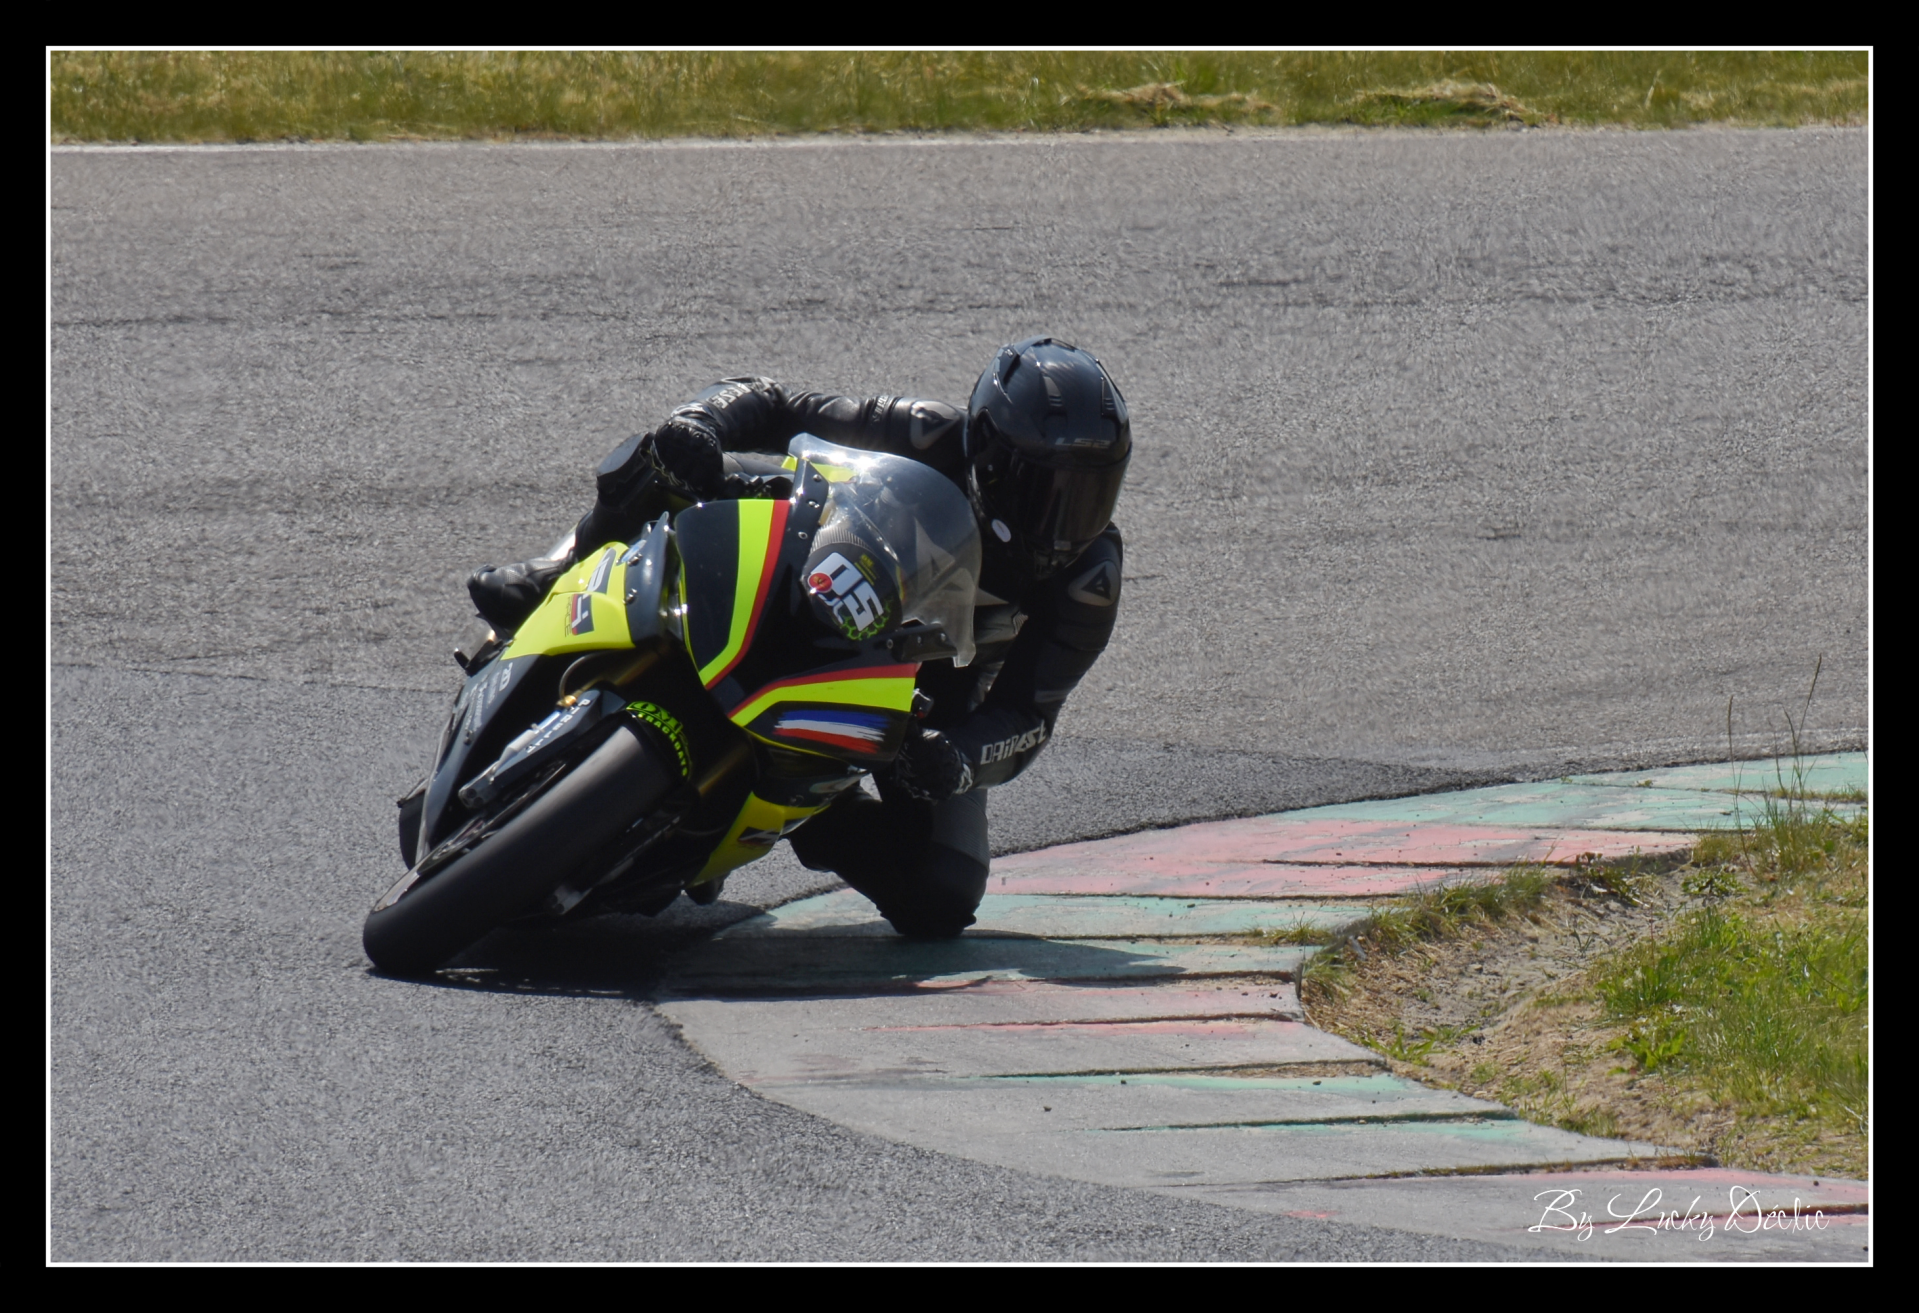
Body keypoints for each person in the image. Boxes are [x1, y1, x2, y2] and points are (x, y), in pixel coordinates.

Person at [467, 336, 1131, 937]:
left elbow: (1027, 715)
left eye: (1091, 494)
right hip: (824, 562)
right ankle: (557, 573)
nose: (1067, 519)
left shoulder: (1088, 582)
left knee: (942, 891)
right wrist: (699, 422)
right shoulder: (926, 431)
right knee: (665, 461)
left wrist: (959, 756)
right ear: (987, 453)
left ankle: (817, 809)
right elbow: (774, 402)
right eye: (1046, 488)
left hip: (930, 690)